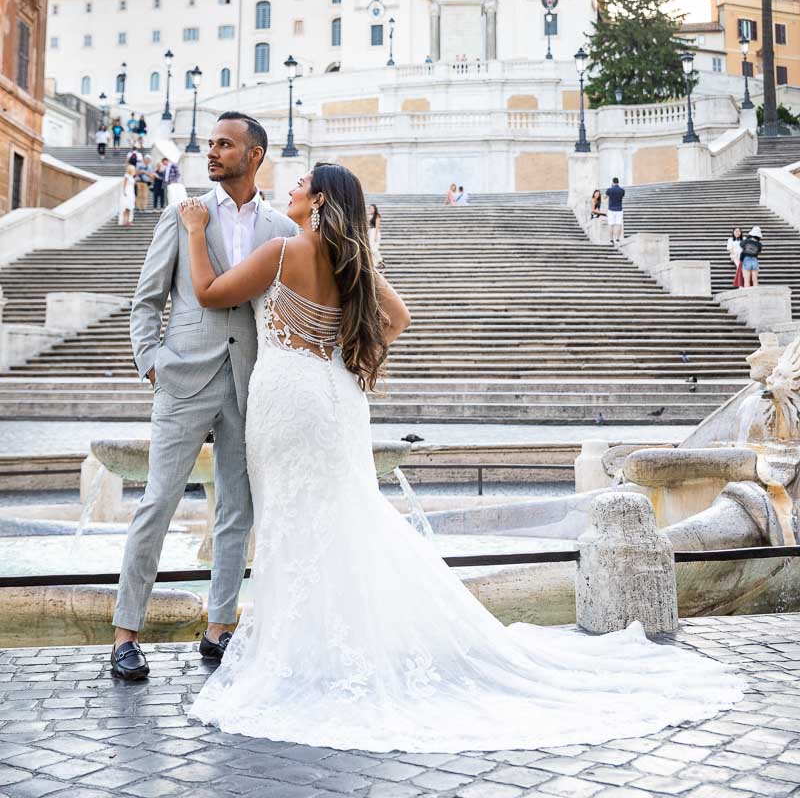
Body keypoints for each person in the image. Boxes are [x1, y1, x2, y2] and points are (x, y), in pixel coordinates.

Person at [176, 161, 740, 752]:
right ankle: (333, 640)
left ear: (317, 202)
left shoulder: (281, 252)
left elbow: (212, 293)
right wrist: (342, 354)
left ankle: (302, 648)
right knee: (343, 515)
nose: (288, 191)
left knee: (295, 519)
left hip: (287, 400)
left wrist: (194, 230)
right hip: (335, 398)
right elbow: (399, 319)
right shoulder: (354, 264)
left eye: (298, 186)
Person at [110, 113, 296, 682]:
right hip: (183, 377)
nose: (212, 152)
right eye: (211, 142)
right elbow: (146, 299)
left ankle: (219, 629)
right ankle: (125, 633)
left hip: (248, 381)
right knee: (158, 502)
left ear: (255, 154)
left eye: (225, 144)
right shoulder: (183, 213)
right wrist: (150, 363)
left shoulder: (280, 227)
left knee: (237, 508)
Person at [605, 176, 625, 243]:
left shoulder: (609, 190)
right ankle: (617, 239)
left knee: (611, 225)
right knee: (619, 224)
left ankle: (611, 239)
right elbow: (622, 196)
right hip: (619, 209)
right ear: (618, 182)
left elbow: (605, 197)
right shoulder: (622, 190)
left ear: (613, 182)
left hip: (611, 209)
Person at [368, 203, 383, 268]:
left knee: (374, 249)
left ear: (375, 209)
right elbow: (368, 226)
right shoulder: (370, 216)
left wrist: (375, 236)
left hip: (375, 232)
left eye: (372, 208)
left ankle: (380, 259)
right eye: (370, 208)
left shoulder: (377, 216)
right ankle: (375, 263)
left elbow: (377, 226)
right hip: (370, 232)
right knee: (371, 248)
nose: (371, 209)